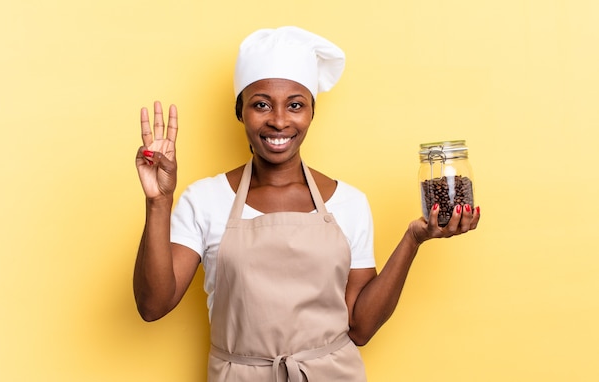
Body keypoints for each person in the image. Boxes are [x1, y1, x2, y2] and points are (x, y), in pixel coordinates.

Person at [133, 26, 480, 381]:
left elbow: (359, 328)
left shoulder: (349, 203)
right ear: (240, 111)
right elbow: (153, 305)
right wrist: (159, 202)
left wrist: (413, 238)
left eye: (295, 105)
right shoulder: (204, 199)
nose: (279, 120)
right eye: (261, 104)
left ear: (311, 112)